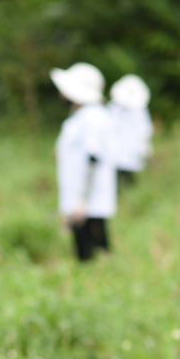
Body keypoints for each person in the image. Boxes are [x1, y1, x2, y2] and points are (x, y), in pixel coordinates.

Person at [52, 63, 116, 261]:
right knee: (85, 252)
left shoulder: (93, 117)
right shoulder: (82, 115)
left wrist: (82, 200)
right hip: (82, 200)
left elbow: (93, 158)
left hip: (88, 202)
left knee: (92, 255)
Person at [107, 75, 153, 187]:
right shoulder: (114, 107)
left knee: (126, 181)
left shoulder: (139, 109)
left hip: (131, 152)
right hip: (116, 152)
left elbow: (145, 130)